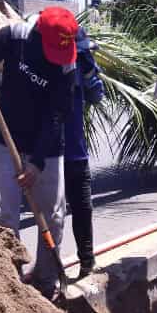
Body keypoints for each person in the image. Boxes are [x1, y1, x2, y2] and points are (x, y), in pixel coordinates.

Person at [0, 6, 78, 298]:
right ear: (39, 35)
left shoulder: (66, 65)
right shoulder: (16, 37)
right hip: (7, 140)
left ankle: (46, 279)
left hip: (46, 148)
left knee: (53, 215)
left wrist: (36, 162)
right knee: (6, 216)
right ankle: (10, 282)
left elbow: (57, 114)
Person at [64, 25, 105, 276]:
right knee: (70, 209)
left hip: (71, 151)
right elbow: (96, 95)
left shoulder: (82, 62)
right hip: (57, 152)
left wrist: (90, 71)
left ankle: (86, 261)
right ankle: (53, 269)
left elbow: (96, 94)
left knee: (79, 207)